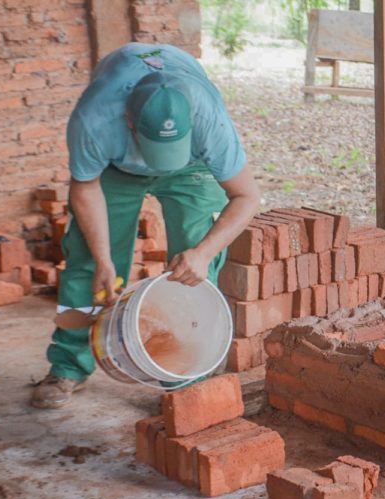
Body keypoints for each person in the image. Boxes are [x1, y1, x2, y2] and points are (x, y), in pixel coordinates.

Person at [31, 43, 260, 409]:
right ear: (129, 122)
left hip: (191, 170)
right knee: (88, 262)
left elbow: (247, 197)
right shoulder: (95, 118)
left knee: (195, 265)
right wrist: (105, 260)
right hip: (117, 169)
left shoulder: (208, 120)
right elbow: (85, 188)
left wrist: (201, 254)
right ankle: (68, 366)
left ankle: (186, 373)